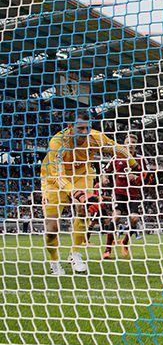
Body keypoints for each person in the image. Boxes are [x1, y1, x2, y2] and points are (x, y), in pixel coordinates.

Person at [40, 112, 138, 275]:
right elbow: (57, 176)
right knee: (51, 229)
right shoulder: (58, 143)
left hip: (82, 175)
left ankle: (75, 253)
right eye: (80, 128)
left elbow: (117, 148)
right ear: (70, 128)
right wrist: (76, 193)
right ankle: (54, 261)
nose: (84, 132)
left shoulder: (95, 138)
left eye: (87, 128)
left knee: (83, 207)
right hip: (53, 180)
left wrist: (134, 164)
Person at [101, 134, 152, 258]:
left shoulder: (141, 159)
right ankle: (108, 249)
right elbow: (105, 171)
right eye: (128, 142)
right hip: (119, 193)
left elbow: (149, 178)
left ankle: (125, 241)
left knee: (134, 219)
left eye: (133, 142)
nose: (130, 144)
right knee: (116, 217)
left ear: (136, 145)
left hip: (134, 194)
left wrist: (137, 178)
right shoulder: (116, 158)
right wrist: (104, 178)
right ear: (124, 144)